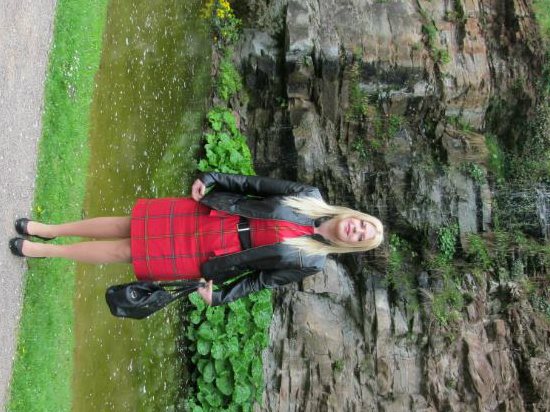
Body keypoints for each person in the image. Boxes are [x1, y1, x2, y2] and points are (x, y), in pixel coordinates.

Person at [9, 172, 384, 306]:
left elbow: (261, 281)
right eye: (362, 224)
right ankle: (49, 230)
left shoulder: (312, 261)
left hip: (213, 253)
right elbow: (255, 185)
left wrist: (219, 296)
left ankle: (43, 251)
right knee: (129, 224)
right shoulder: (310, 196)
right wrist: (213, 177)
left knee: (127, 251)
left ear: (354, 244)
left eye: (362, 236)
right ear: (355, 215)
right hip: (214, 213)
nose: (357, 229)